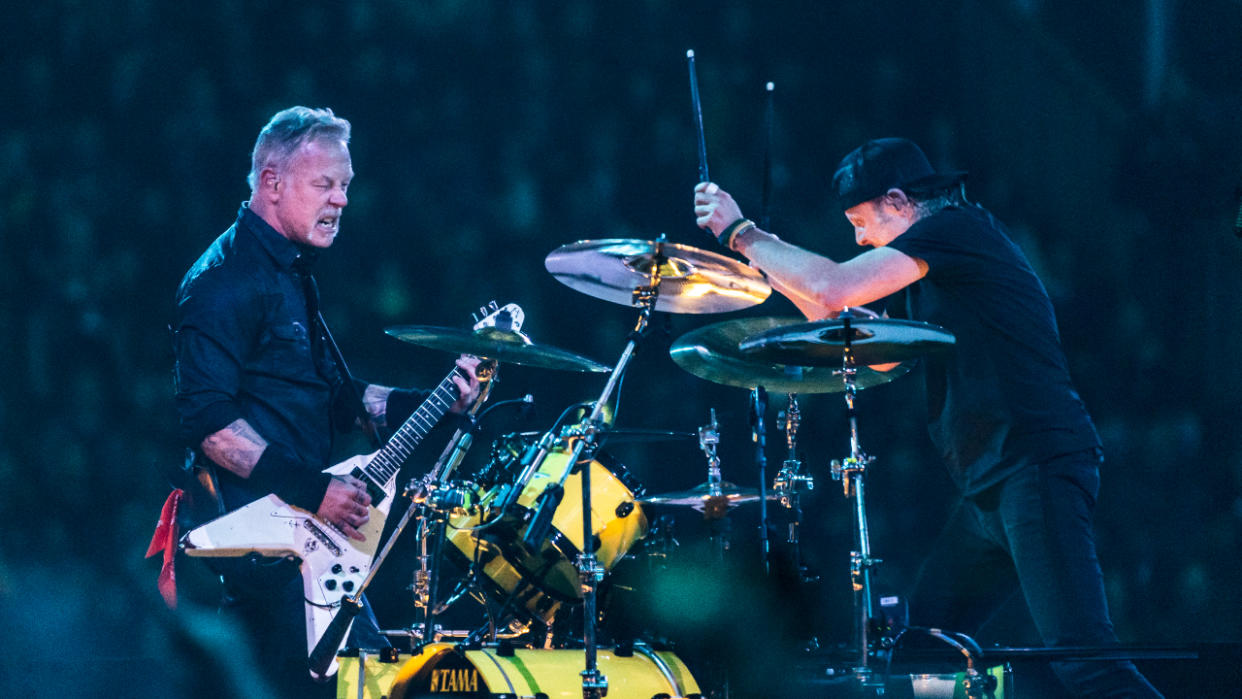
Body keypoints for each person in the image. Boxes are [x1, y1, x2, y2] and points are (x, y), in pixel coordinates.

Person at [692, 137, 1162, 697]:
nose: (858, 238)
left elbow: (835, 286)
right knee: (922, 653)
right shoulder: (938, 263)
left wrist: (741, 232)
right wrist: (768, 263)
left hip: (1034, 467)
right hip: (991, 485)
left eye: (860, 222)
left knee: (1088, 663)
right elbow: (872, 342)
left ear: (897, 201)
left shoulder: (954, 231)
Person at [172, 106, 480, 697]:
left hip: (305, 541)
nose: (340, 200)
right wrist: (317, 492)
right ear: (272, 182)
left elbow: (334, 400)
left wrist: (439, 402)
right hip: (259, 548)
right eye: (325, 185)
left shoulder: (294, 273)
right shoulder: (224, 280)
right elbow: (209, 423)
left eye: (345, 186)